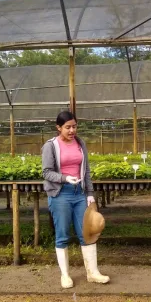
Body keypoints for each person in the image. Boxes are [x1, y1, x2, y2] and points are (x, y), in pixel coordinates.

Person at [42, 111, 110, 289]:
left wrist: (89, 193)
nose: (72, 130)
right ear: (58, 128)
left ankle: (92, 273)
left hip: (79, 194)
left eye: (74, 126)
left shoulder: (80, 143)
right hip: (60, 194)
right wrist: (65, 178)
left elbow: (86, 170)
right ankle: (65, 275)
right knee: (62, 234)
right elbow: (46, 172)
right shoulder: (51, 146)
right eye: (67, 127)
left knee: (87, 232)